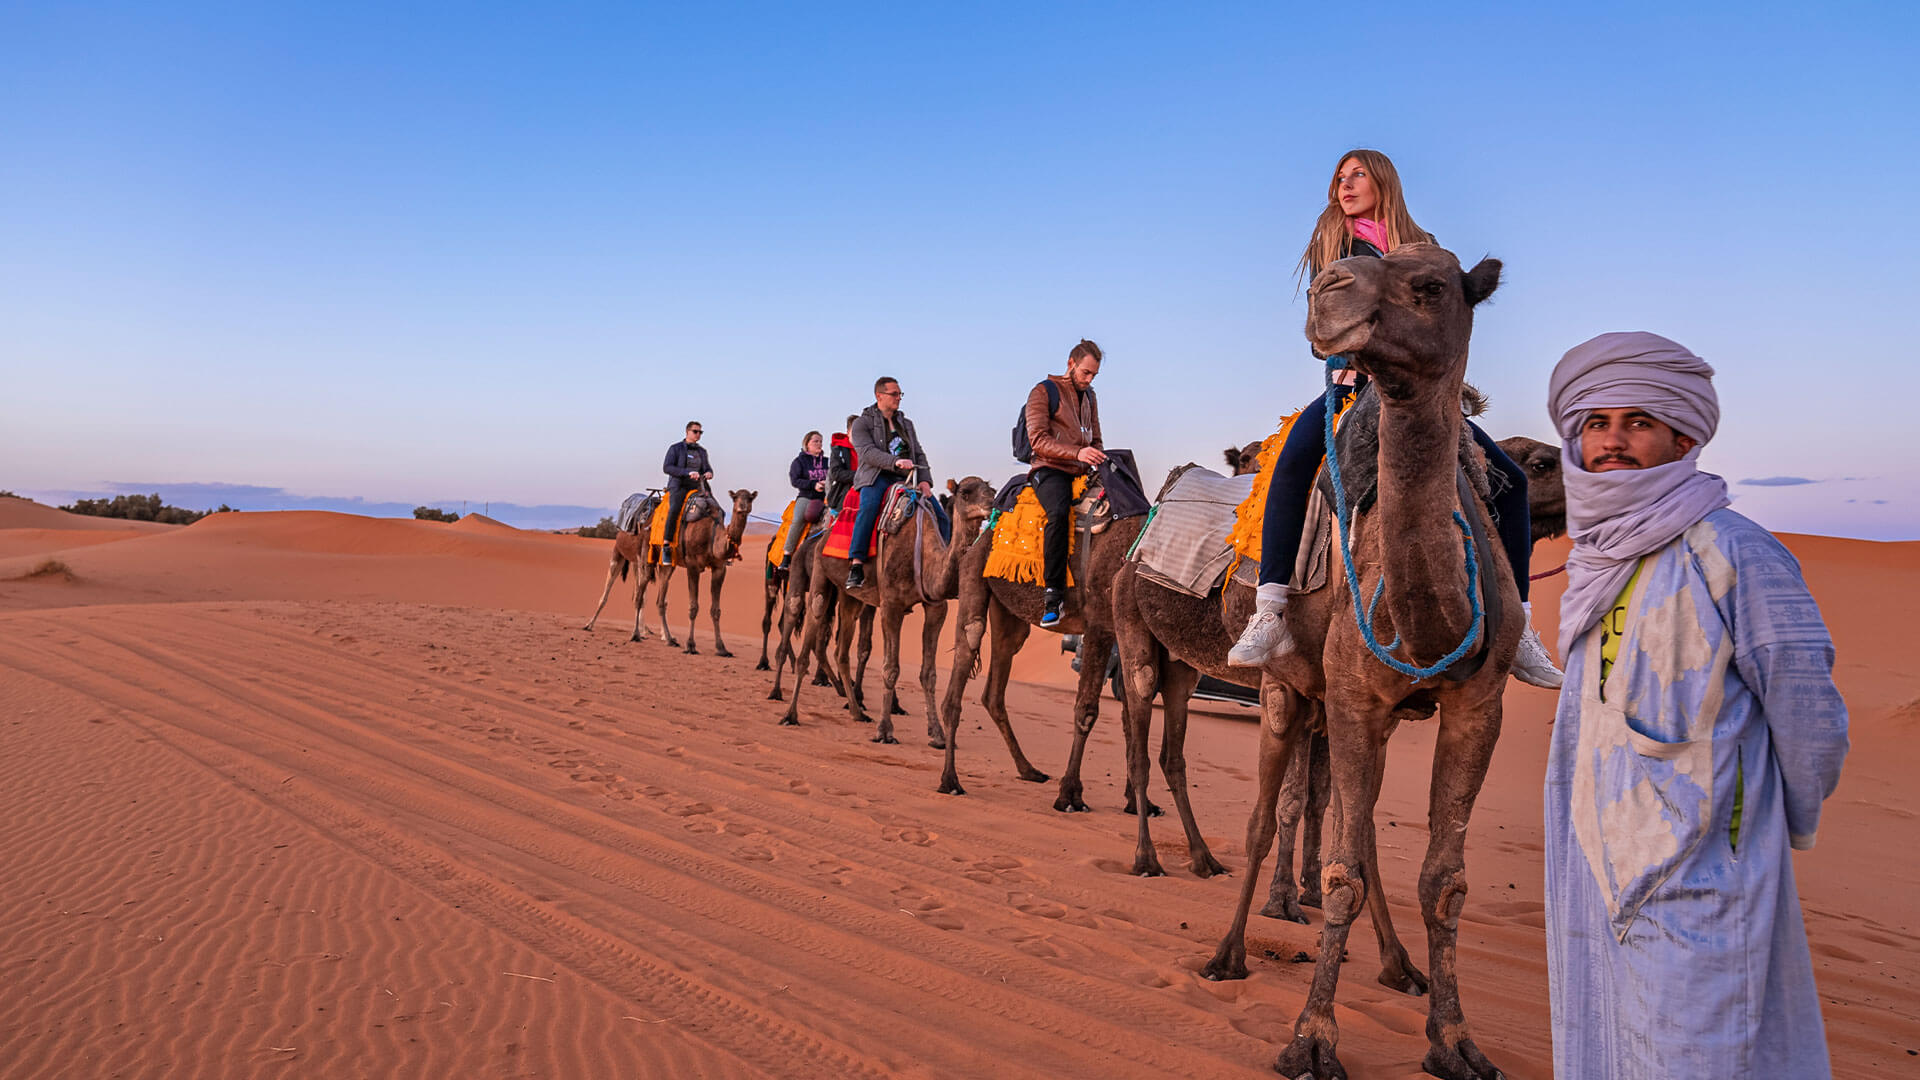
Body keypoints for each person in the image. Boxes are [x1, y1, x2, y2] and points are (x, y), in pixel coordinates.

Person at [1542, 332, 1848, 1079]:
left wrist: (1777, 827)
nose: (1613, 440)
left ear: (1682, 438)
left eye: (1637, 422)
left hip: (1709, 871)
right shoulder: (1595, 562)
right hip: (1596, 865)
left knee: (1707, 1054)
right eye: (1596, 423)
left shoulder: (1734, 549)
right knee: (1612, 1041)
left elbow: (1809, 712)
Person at [1226, 148, 1562, 688]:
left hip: (1417, 395)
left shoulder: (1422, 249)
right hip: (1352, 389)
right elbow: (1325, 325)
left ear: (1383, 180)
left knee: (1513, 483)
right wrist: (1348, 365)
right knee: (1290, 470)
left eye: (1357, 174)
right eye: (1339, 176)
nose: (1345, 184)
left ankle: (1518, 627)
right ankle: (1271, 610)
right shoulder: (1335, 245)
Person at [1024, 339, 1105, 626]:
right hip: (1050, 468)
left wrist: (1096, 454)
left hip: (1082, 469)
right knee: (1059, 514)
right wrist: (1077, 452)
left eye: (1094, 375)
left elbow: (1095, 437)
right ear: (1071, 363)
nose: (1089, 379)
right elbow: (1038, 440)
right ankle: (1053, 595)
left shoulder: (1090, 397)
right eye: (1085, 372)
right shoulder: (1043, 391)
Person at [845, 377, 932, 589]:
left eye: (900, 394)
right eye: (894, 394)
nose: (898, 398)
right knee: (869, 507)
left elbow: (918, 453)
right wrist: (895, 462)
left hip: (906, 478)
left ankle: (945, 565)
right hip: (876, 476)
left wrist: (926, 481)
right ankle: (856, 564)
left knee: (936, 511)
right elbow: (867, 453)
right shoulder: (862, 424)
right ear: (879, 396)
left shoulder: (906, 424)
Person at [660, 420, 712, 567]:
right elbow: (667, 467)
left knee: (717, 509)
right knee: (675, 509)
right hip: (679, 485)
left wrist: (709, 473)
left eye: (700, 432)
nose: (698, 435)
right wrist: (687, 472)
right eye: (695, 431)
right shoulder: (675, 448)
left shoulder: (702, 451)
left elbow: (707, 468)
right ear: (687, 432)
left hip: (698, 486)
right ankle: (666, 546)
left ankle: (717, 547)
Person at [778, 430, 829, 576]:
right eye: (815, 441)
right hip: (807, 496)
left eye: (820, 441)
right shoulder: (799, 462)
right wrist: (813, 484)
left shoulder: (827, 461)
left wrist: (827, 484)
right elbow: (795, 480)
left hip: (826, 498)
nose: (819, 444)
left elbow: (834, 476)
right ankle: (787, 556)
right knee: (799, 519)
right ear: (807, 444)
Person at [825, 414, 859, 511]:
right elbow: (836, 473)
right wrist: (860, 475)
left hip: (866, 487)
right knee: (810, 513)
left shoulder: (868, 449)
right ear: (848, 432)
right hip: (844, 489)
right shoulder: (838, 449)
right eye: (855, 431)